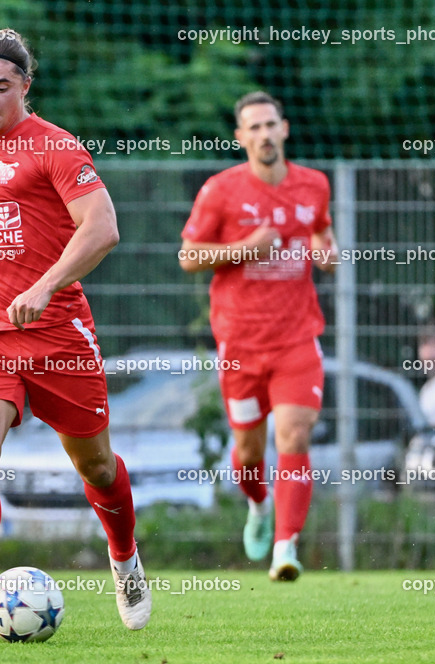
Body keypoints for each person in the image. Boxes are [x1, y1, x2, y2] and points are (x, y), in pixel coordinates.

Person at [0, 29, 151, 630]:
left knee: (95, 467)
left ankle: (125, 558)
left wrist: (44, 287)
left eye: (1, 89)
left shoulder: (57, 148)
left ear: (26, 87)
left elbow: (102, 226)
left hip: (57, 334)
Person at [178, 91, 337, 581]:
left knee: (294, 435)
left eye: (272, 124)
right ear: (241, 137)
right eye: (255, 127)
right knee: (248, 453)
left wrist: (326, 251)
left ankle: (285, 548)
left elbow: (322, 235)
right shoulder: (221, 191)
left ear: (284, 129)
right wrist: (244, 247)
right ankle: (261, 506)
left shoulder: (315, 185)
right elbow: (188, 257)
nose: (265, 135)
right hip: (239, 346)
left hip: (296, 340)